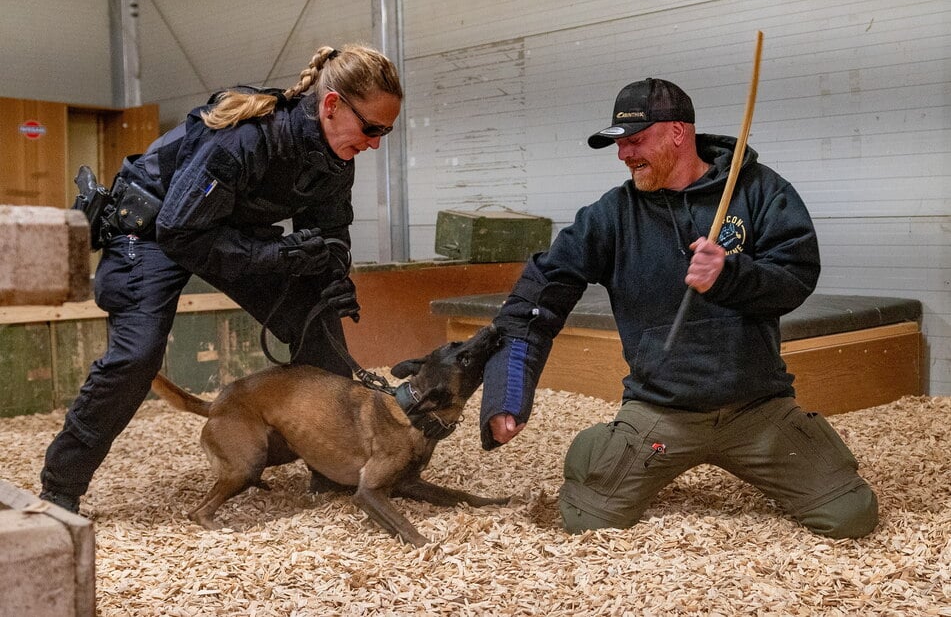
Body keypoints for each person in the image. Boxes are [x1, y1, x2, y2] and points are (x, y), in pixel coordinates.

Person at [479, 78, 878, 539]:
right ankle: (599, 446)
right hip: (660, 411)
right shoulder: (610, 216)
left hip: (758, 409)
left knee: (851, 515)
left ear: (677, 133)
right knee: (585, 518)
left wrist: (730, 274)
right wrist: (507, 394)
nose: (623, 155)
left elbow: (796, 279)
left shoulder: (760, 191)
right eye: (619, 144)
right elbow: (537, 299)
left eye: (635, 141)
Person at [40, 44, 403, 514]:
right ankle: (60, 487)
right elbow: (180, 232)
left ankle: (331, 470)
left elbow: (330, 230)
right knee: (137, 354)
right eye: (370, 128)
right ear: (331, 105)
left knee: (321, 331)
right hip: (155, 233)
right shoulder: (244, 139)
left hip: (227, 233)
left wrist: (334, 278)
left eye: (385, 133)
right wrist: (280, 254)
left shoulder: (335, 157)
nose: (374, 142)